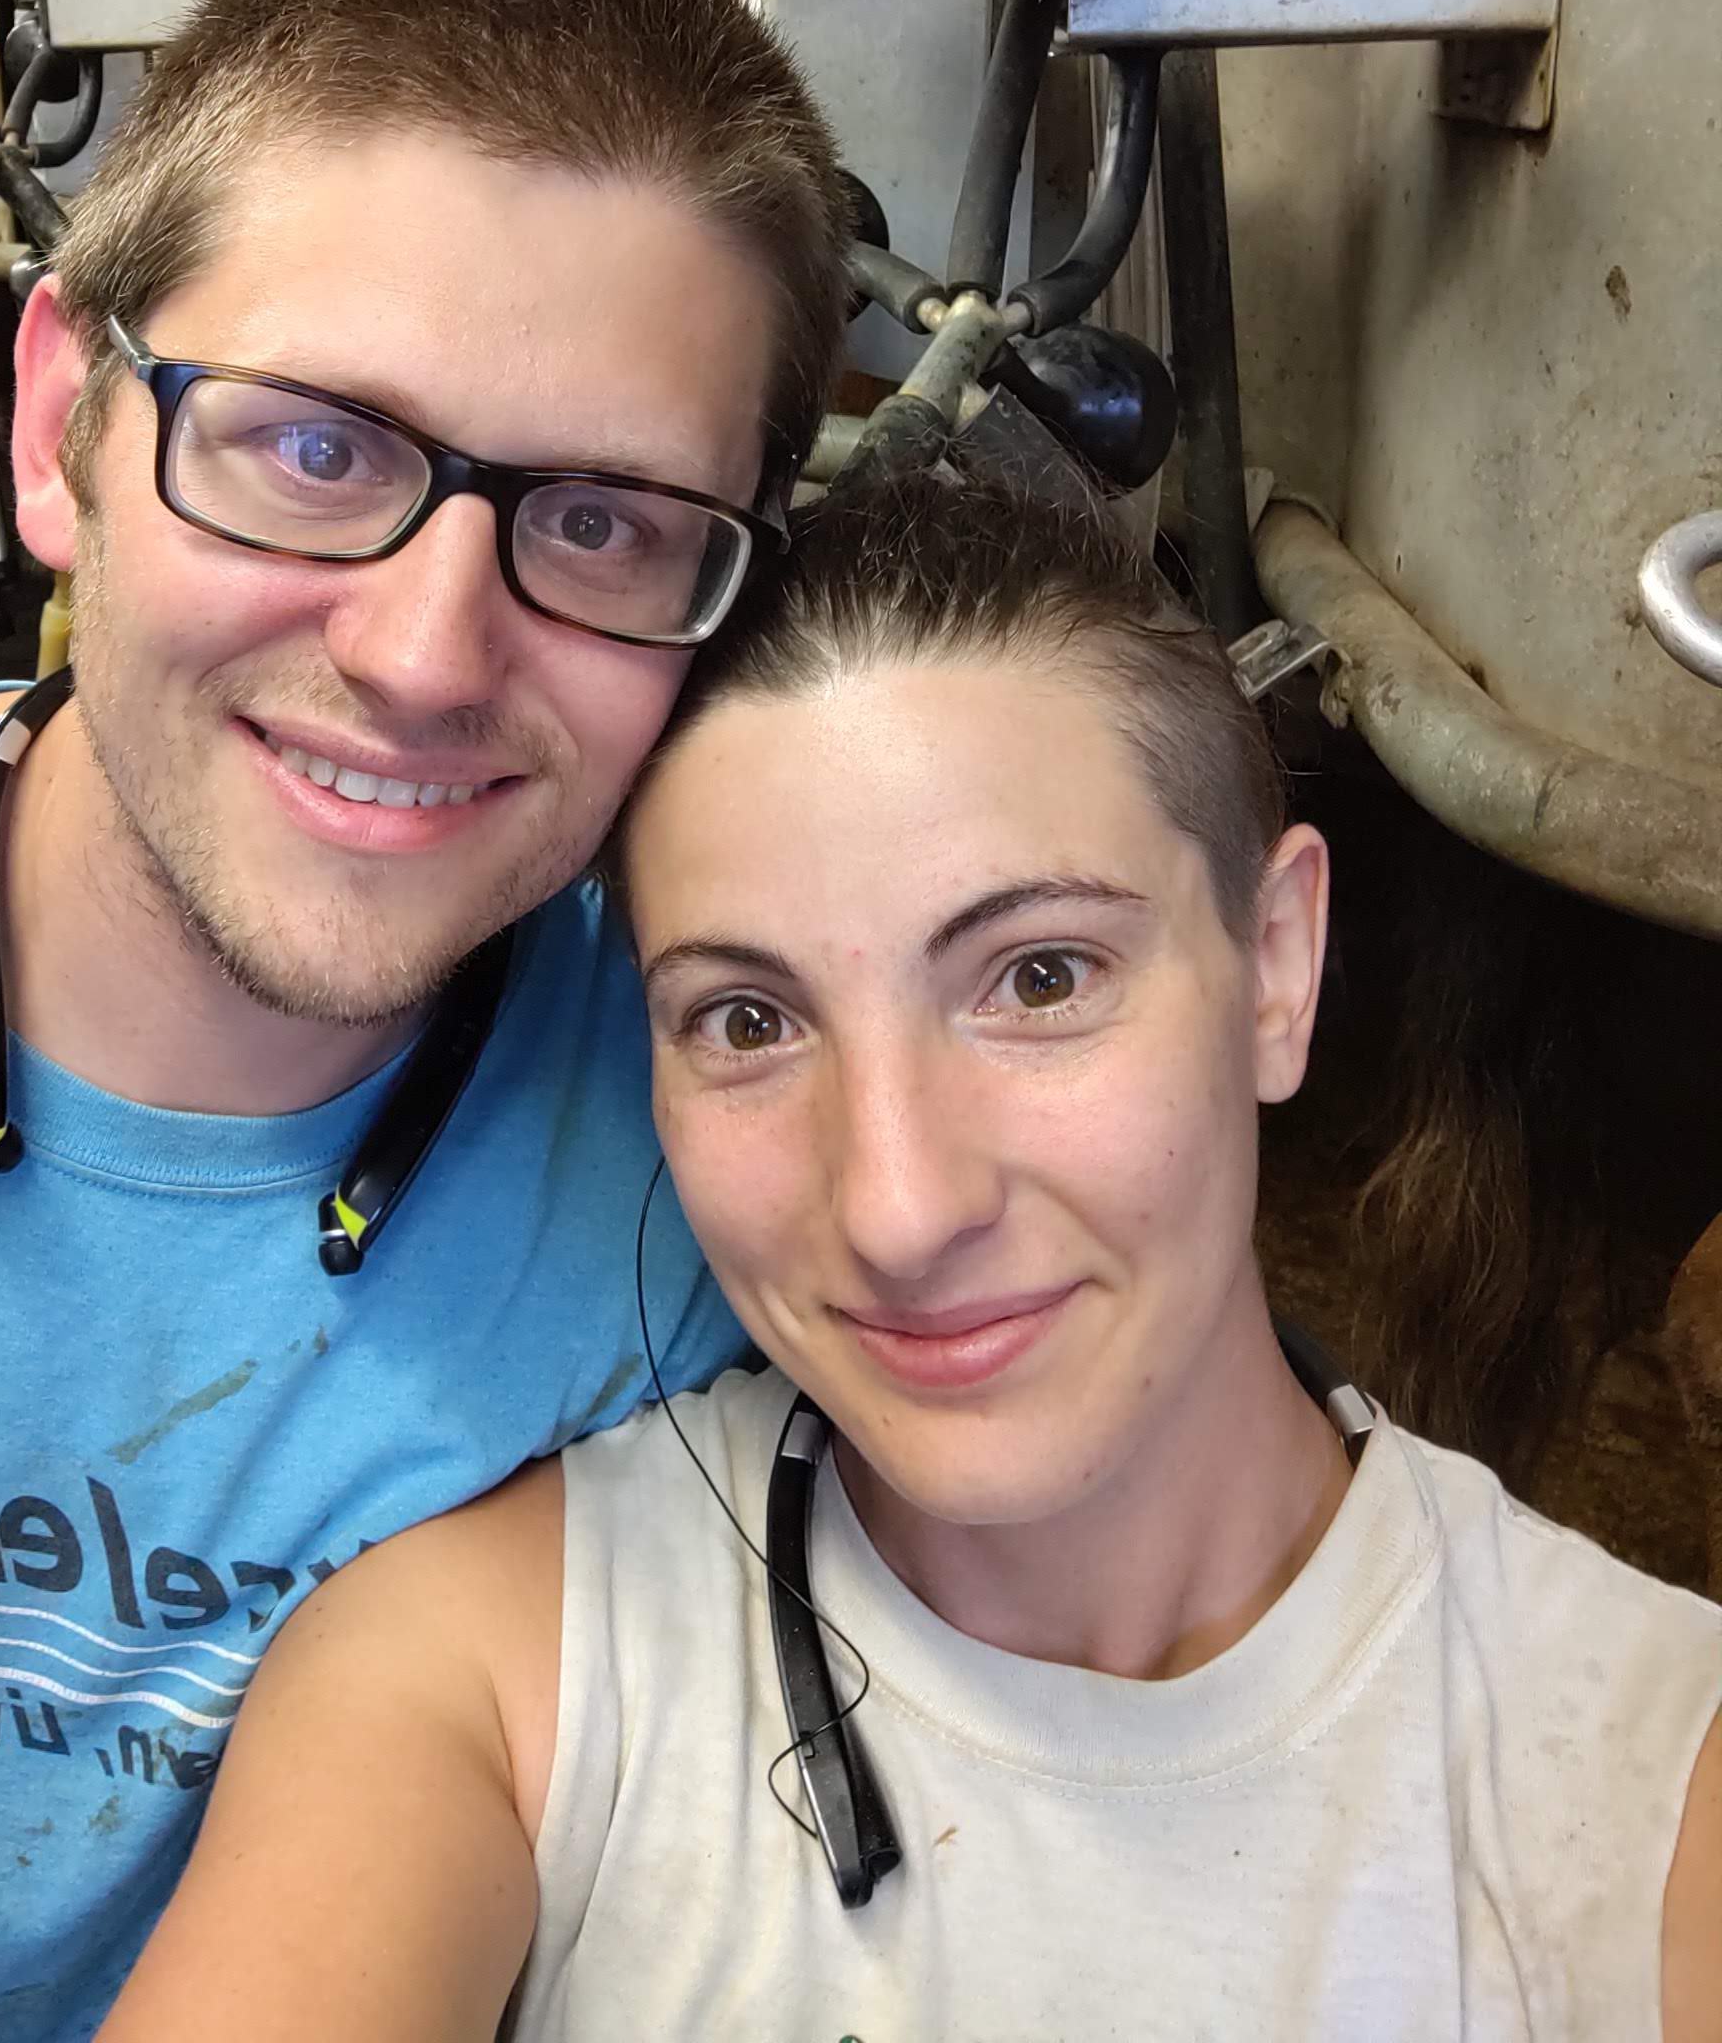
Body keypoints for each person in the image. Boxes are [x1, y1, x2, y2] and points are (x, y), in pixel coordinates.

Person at [0, 0, 851, 2037]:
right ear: (66, 411)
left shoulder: (726, 1169)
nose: (429, 651)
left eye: (606, 521)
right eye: (312, 447)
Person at [99, 461, 1722, 2043]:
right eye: (747, 1018)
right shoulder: (484, 1682)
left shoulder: (1657, 1777)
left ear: (1278, 966)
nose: (895, 1208)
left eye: (1037, 979)